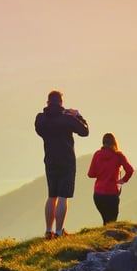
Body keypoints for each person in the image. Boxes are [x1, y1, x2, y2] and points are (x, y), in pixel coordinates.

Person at [34, 90, 89, 239]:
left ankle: (48, 230)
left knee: (52, 195)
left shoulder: (41, 119)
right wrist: (77, 116)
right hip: (67, 160)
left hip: (50, 160)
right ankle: (59, 232)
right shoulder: (68, 119)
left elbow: (39, 130)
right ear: (61, 103)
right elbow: (85, 132)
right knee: (63, 197)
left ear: (47, 102)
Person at [87, 132, 135, 225]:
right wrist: (123, 180)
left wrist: (101, 173)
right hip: (112, 194)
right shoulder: (118, 155)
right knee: (112, 222)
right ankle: (108, 237)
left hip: (98, 194)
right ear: (114, 143)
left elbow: (90, 174)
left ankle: (103, 237)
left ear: (103, 142)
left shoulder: (97, 154)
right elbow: (130, 170)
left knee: (106, 220)